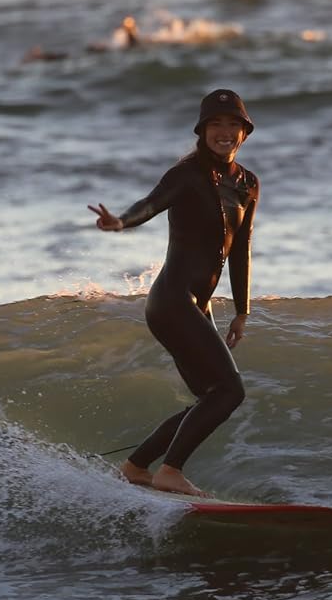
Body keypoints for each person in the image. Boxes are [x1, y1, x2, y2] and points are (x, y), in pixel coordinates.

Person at [89, 89, 260, 496]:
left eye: (232, 125)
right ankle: (171, 471)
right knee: (230, 391)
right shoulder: (187, 174)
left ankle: (134, 467)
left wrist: (241, 310)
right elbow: (150, 204)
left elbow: (241, 249)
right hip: (171, 301)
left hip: (197, 307)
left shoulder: (248, 184)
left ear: (244, 133)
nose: (224, 132)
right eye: (215, 125)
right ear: (202, 132)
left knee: (210, 397)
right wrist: (122, 223)